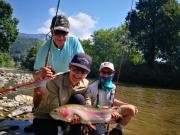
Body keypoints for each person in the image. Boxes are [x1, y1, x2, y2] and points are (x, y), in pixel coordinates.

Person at [24, 14, 85, 132]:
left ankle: (71, 122)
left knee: (79, 98)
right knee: (38, 90)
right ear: (51, 32)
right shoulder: (44, 48)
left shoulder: (74, 42)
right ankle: (38, 116)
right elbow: (35, 75)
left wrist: (73, 74)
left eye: (64, 33)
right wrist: (41, 73)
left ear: (68, 33)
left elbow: (83, 66)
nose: (61, 37)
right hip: (50, 78)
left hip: (70, 76)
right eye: (57, 32)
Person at [33, 53, 92, 135]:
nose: (78, 74)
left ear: (88, 73)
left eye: (83, 72)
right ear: (69, 66)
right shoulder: (54, 81)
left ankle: (72, 130)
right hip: (48, 115)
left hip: (67, 115)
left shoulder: (86, 83)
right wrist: (71, 118)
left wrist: (85, 116)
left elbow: (87, 100)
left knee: (79, 98)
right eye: (75, 69)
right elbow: (54, 108)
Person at [88, 62, 138, 135]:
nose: (106, 75)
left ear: (113, 73)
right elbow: (89, 107)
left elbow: (111, 100)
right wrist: (109, 111)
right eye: (103, 72)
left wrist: (127, 104)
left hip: (109, 113)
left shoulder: (113, 87)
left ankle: (117, 130)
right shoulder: (92, 87)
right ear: (99, 73)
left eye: (109, 72)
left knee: (131, 109)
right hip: (96, 116)